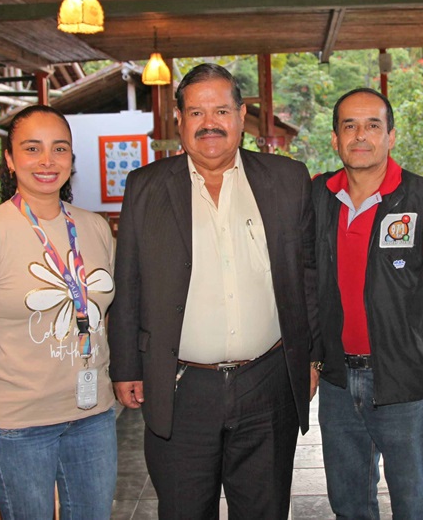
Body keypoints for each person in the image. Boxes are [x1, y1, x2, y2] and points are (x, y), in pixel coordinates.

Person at [109, 63, 315, 519]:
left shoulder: (288, 180)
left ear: (242, 116)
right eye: (197, 113)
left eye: (221, 110)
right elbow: (128, 285)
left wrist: (311, 358)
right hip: (181, 388)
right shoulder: (146, 187)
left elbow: (307, 275)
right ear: (179, 121)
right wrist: (125, 366)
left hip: (267, 383)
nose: (210, 123)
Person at [0, 105, 117, 519]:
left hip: (92, 416)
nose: (47, 161)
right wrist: (18, 386)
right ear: (10, 158)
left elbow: (100, 316)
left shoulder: (94, 227)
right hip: (19, 426)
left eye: (59, 149)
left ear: (72, 159)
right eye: (32, 148)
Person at [310, 87, 423, 519]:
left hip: (405, 381)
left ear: (391, 136)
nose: (361, 135)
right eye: (349, 126)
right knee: (349, 504)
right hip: (338, 381)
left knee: (413, 504)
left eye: (373, 125)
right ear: (335, 139)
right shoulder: (319, 198)